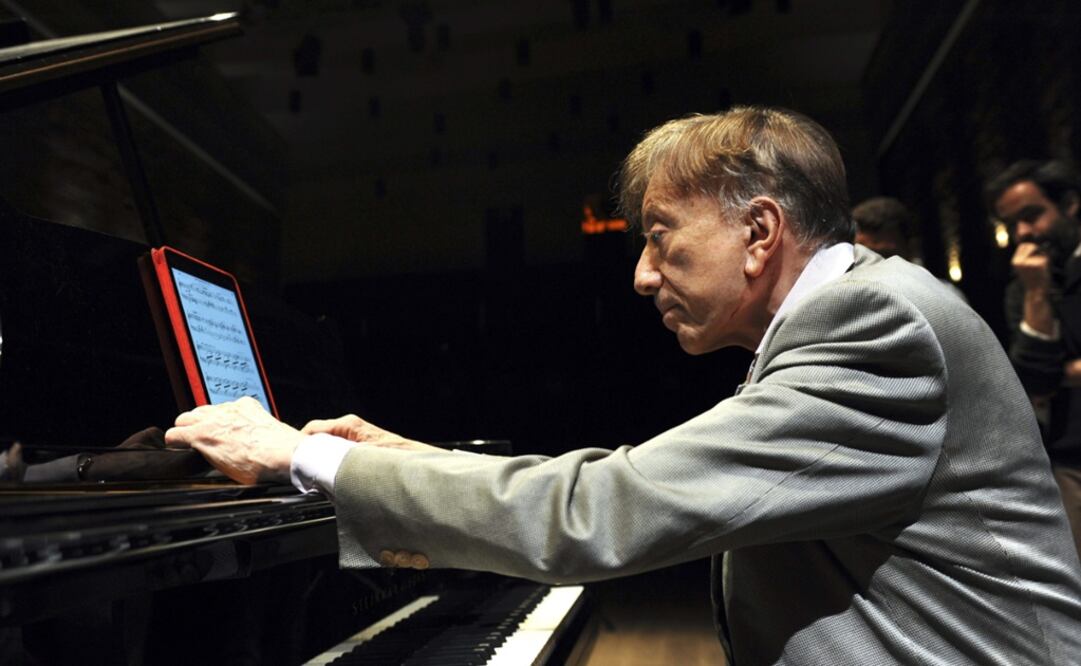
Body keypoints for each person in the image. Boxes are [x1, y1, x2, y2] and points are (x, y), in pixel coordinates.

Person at [166, 107, 1081, 665]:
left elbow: (609, 506)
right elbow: (645, 475)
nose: (642, 275)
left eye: (658, 235)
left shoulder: (870, 325)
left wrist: (299, 454)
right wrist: (415, 462)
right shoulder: (845, 312)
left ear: (759, 233)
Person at [987, 159, 1081, 560]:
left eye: (1032, 216)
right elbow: (1034, 380)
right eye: (1012, 224)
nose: (1023, 233)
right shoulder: (1024, 287)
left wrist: (1068, 372)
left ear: (1069, 204)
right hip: (1071, 457)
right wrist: (1037, 293)